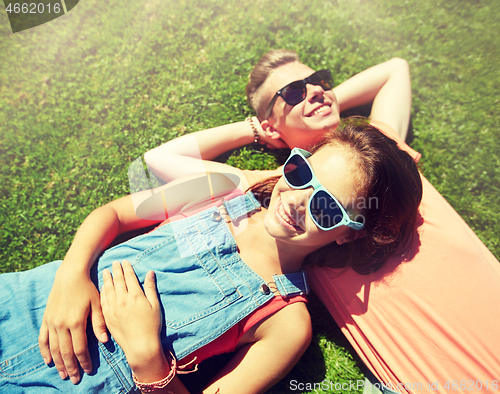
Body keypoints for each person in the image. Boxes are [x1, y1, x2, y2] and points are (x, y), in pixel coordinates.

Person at [143, 49, 500, 393]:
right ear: (272, 127)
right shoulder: (279, 195)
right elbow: (162, 159)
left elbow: (394, 69)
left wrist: (321, 104)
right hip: (434, 372)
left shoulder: (382, 154)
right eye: (294, 92)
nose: (314, 90)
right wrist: (258, 129)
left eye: (318, 81)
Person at [1, 117, 422, 393]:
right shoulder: (221, 189)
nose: (296, 200)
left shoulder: (286, 322)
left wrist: (148, 356)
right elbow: (113, 214)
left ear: (349, 235)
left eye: (326, 207)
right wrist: (72, 277)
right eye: (301, 173)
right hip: (26, 301)